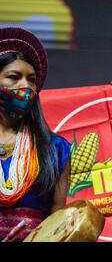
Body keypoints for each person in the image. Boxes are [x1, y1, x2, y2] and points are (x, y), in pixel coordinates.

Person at [0, 27, 70, 241]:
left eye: (31, 79)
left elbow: (57, 223)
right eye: (14, 77)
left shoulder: (55, 149)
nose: (26, 86)